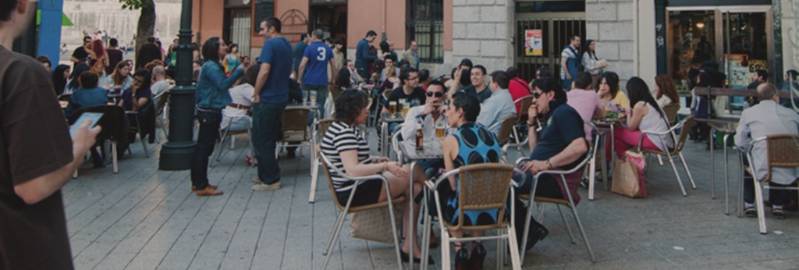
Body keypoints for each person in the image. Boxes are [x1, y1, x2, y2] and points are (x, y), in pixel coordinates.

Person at [1, 1, 101, 267]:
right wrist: (78, 148)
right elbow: (33, 186)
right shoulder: (20, 74)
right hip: (19, 249)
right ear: (21, 5)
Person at [321, 89, 428, 264]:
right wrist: (385, 165)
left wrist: (374, 159)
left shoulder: (341, 128)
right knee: (415, 170)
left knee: (416, 188)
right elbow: (352, 170)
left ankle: (410, 243)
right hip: (355, 191)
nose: (368, 111)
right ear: (354, 110)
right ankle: (437, 197)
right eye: (364, 108)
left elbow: (352, 160)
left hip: (357, 186)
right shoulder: (345, 133)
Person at [514, 77, 588, 252]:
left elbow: (580, 146)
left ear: (550, 94)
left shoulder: (564, 113)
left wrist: (546, 164)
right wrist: (531, 122)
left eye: (537, 95)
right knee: (501, 181)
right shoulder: (553, 115)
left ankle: (527, 231)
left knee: (502, 184)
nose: (533, 100)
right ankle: (527, 229)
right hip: (542, 175)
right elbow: (535, 151)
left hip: (555, 180)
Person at [438, 91, 503, 268]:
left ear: (460, 112)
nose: (446, 111)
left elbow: (452, 184)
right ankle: (478, 246)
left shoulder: (452, 139)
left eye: (450, 107)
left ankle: (460, 249)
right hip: (495, 208)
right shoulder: (491, 135)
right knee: (477, 188)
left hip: (463, 211)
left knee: (445, 191)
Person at [735, 83, 799, 218]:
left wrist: (751, 148)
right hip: (792, 167)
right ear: (776, 96)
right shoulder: (792, 113)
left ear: (758, 98)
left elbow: (739, 142)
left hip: (762, 167)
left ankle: (749, 203)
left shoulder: (748, 113)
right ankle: (778, 204)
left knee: (745, 156)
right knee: (780, 158)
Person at [192, 37, 245, 197]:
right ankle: (201, 185)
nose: (225, 46)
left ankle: (198, 182)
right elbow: (223, 85)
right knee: (204, 148)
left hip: (209, 109)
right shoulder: (211, 67)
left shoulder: (211, 66)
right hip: (210, 110)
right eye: (221, 44)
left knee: (204, 147)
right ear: (214, 48)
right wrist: (239, 72)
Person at [252, 17, 292, 191]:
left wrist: (256, 92)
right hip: (281, 96)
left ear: (272, 29)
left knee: (262, 139)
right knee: (268, 137)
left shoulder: (270, 45)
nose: (261, 33)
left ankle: (270, 179)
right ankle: (265, 174)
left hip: (268, 98)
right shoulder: (286, 44)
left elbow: (264, 70)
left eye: (262, 29)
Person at [612, 77, 673, 158]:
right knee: (619, 141)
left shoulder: (640, 105)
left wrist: (628, 111)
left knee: (615, 132)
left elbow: (631, 127)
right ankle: (626, 163)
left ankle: (624, 163)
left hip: (655, 142)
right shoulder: (650, 102)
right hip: (663, 141)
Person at [399, 80, 447, 177]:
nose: (433, 98)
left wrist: (448, 116)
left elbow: (454, 138)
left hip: (442, 158)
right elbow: (406, 135)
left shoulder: (448, 114)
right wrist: (422, 116)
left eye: (437, 95)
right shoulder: (415, 111)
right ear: (426, 96)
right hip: (419, 158)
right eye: (430, 94)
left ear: (444, 97)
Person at [222, 64, 258, 166]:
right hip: (235, 120)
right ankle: (253, 155)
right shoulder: (247, 88)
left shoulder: (240, 87)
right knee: (260, 125)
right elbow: (257, 100)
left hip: (228, 119)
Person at [298, 29, 336, 118]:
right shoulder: (328, 49)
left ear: (314, 36)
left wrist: (299, 78)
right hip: (322, 81)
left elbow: (302, 65)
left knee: (308, 104)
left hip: (309, 80)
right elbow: (333, 66)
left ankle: (309, 125)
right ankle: (319, 125)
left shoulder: (309, 48)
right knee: (320, 105)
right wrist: (333, 79)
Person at [476, 70, 516, 135]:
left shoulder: (495, 100)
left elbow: (481, 123)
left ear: (496, 84)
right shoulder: (507, 96)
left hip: (488, 136)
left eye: (490, 82)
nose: (489, 85)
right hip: (500, 135)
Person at [566, 72, 602, 140]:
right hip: (583, 137)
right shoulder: (593, 95)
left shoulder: (567, 95)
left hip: (564, 133)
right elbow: (601, 114)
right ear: (589, 85)